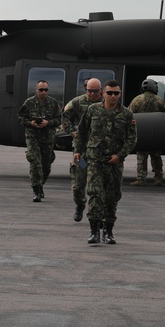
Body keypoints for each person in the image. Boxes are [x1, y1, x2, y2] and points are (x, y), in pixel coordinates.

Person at [73, 79, 137, 245]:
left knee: (112, 197)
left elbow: (132, 139)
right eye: (109, 93)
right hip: (94, 160)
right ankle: (94, 232)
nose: (113, 96)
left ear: (120, 94)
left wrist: (120, 155)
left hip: (114, 162)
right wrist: (78, 151)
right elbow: (81, 132)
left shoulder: (126, 114)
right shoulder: (93, 110)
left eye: (116, 93)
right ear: (104, 93)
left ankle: (108, 232)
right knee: (95, 193)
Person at [62, 77, 103, 222]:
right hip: (81, 152)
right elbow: (65, 116)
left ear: (101, 90)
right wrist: (72, 131)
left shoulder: (107, 103)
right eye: (89, 91)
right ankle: (80, 204)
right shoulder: (78, 102)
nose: (92, 94)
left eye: (95, 91)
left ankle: (96, 215)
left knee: (98, 185)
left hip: (100, 153)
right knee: (78, 184)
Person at [17, 80, 62, 202]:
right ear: (36, 90)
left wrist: (48, 123)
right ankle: (36, 190)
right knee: (35, 162)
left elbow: (59, 119)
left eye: (46, 90)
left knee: (46, 166)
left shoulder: (53, 103)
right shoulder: (29, 102)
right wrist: (30, 123)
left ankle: (40, 184)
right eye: (41, 90)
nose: (43, 92)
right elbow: (21, 117)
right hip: (33, 137)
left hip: (47, 138)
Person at [128, 78, 165, 187]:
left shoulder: (137, 100)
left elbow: (129, 114)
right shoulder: (159, 100)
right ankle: (158, 178)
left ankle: (141, 178)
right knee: (156, 156)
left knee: (141, 155)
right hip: (156, 133)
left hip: (142, 133)